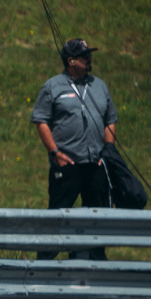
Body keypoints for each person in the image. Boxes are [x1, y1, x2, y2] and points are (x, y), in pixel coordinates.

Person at [31, 38, 117, 260]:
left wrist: (108, 151)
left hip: (96, 163)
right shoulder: (53, 86)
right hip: (67, 164)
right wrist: (55, 153)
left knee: (98, 218)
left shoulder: (99, 86)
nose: (90, 60)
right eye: (84, 56)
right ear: (71, 61)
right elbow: (41, 121)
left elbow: (110, 120)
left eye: (89, 55)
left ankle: (97, 261)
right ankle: (44, 263)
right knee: (59, 218)